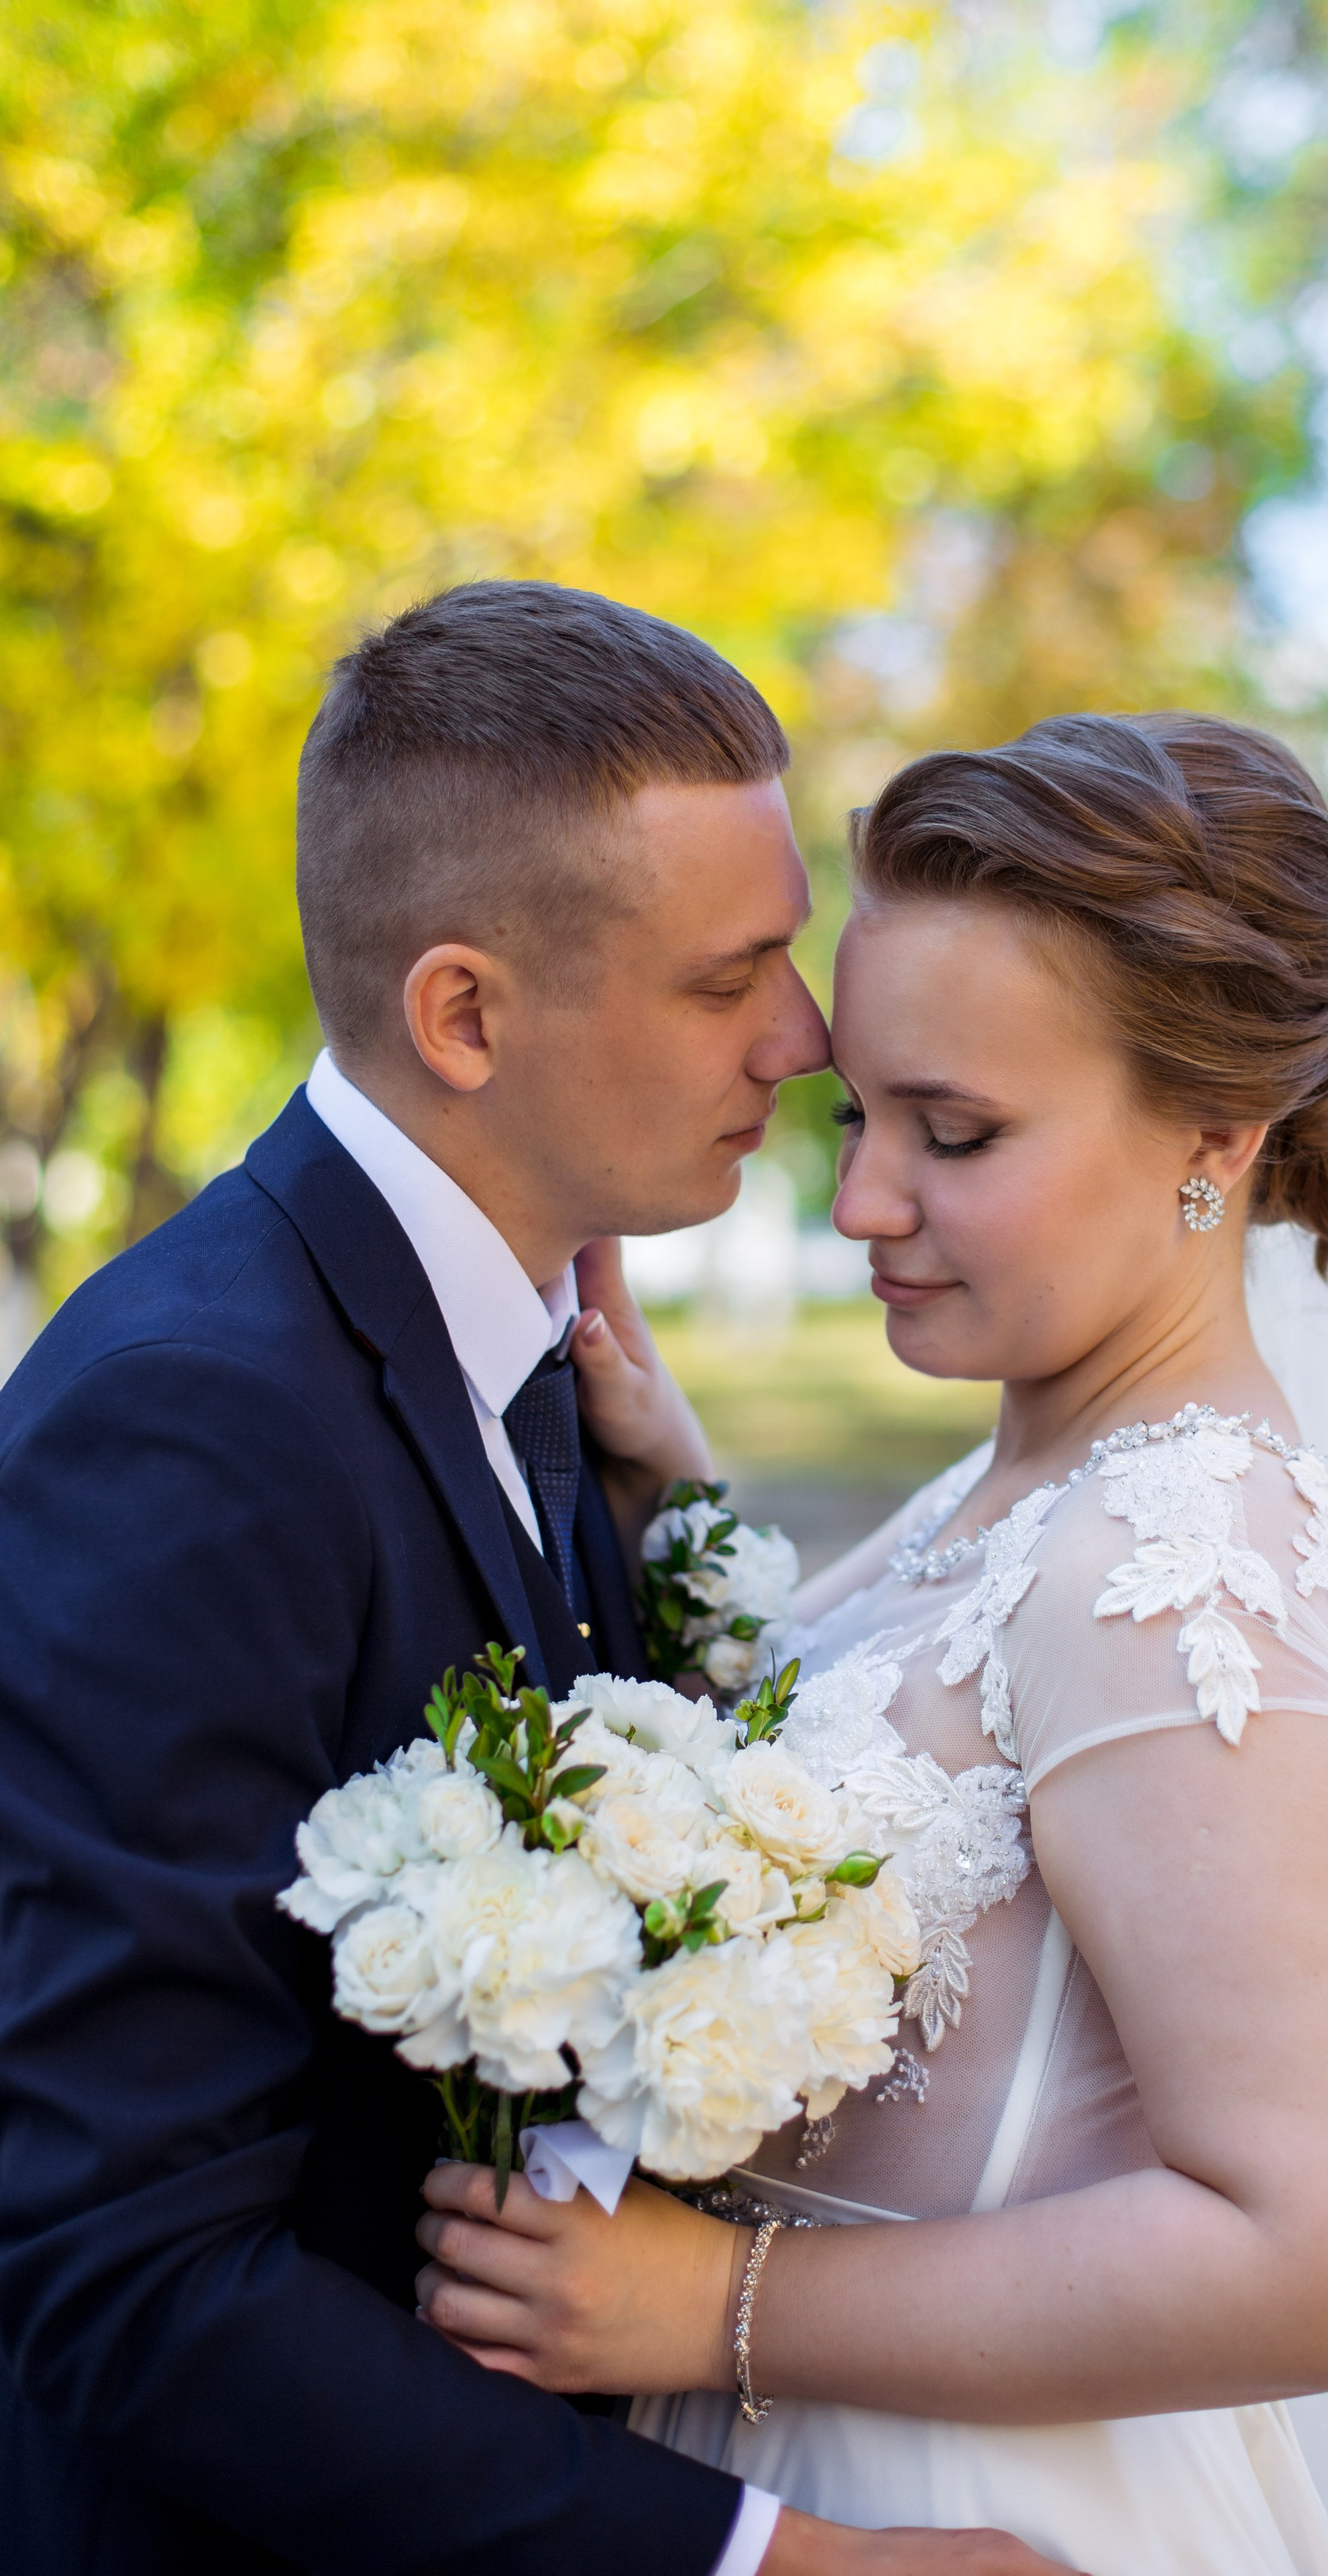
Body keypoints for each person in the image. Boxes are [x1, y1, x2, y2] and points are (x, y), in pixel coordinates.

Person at [414, 714, 1328, 2576]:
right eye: (858, 1117)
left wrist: (717, 2306)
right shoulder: (1050, 1463)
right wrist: (695, 1529)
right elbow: (950, 1757)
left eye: (954, 1135)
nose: (865, 1203)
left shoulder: (1181, 1560)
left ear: (1218, 1140)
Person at [0, 583, 1070, 2576]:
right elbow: (122, 2263)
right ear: (466, 1014)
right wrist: (775, 2564)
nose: (810, 1033)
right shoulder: (193, 1427)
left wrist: (678, 1530)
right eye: (724, 975)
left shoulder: (534, 1338)